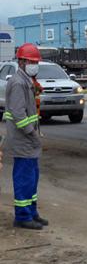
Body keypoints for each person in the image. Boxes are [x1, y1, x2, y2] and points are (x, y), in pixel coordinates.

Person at [5, 43, 46, 230]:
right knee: (24, 178)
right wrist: (32, 134)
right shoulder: (18, 82)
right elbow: (18, 114)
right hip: (23, 140)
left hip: (28, 140)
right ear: (21, 62)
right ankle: (22, 216)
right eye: (31, 61)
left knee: (32, 177)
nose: (34, 65)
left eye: (35, 62)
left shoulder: (27, 81)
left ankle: (31, 212)